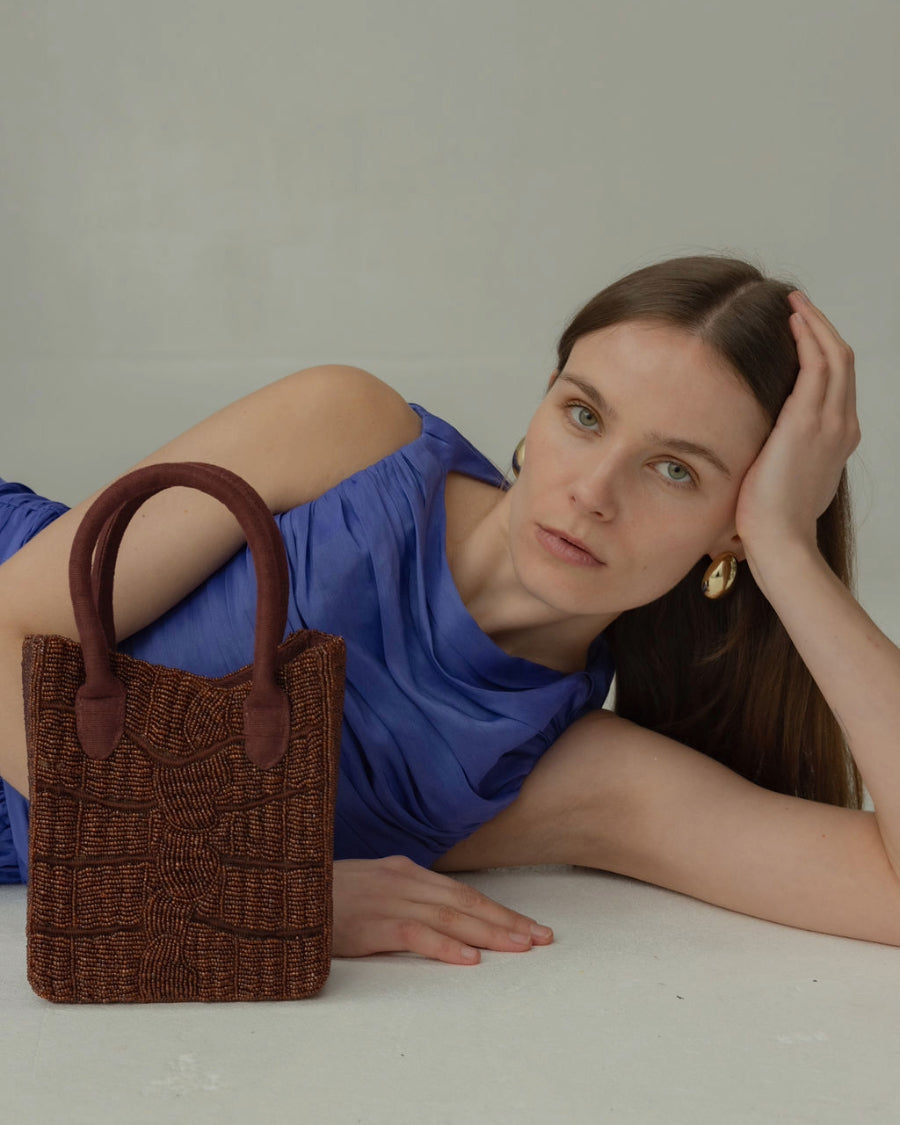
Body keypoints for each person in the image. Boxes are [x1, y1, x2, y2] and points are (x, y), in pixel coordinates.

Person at [2, 254, 899, 967]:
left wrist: (788, 549)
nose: (591, 492)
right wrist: (264, 881)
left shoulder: (570, 772)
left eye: (677, 470)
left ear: (731, 531)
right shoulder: (350, 435)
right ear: (540, 404)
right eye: (585, 415)